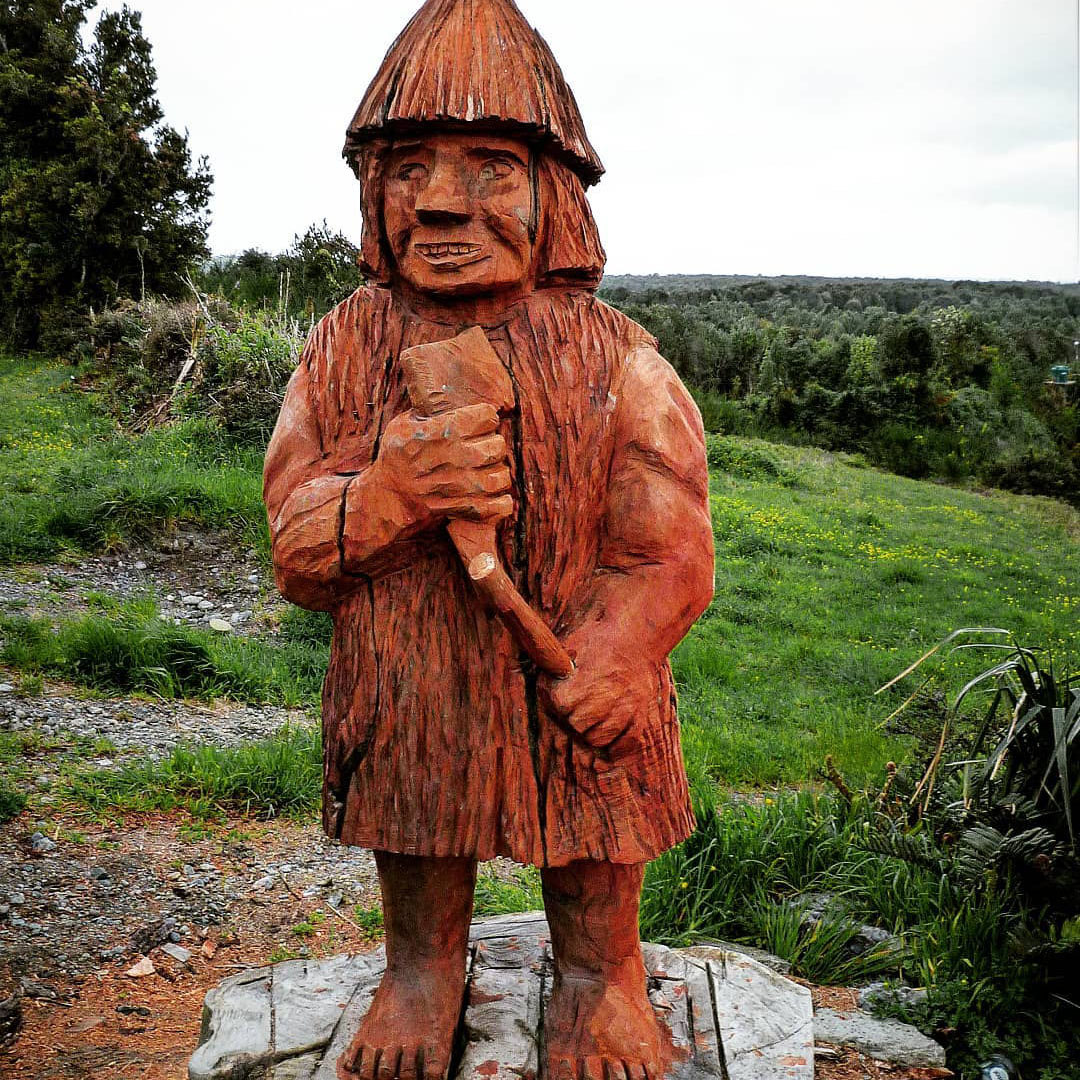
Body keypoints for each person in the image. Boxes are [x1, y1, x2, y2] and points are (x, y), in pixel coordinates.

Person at [262, 2, 714, 1078]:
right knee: (415, 780)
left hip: (574, 660)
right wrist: (389, 496)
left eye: (490, 168)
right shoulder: (343, 345)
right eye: (409, 165)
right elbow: (293, 543)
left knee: (598, 770)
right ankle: (420, 972)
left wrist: (624, 643)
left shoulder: (615, 356)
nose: (441, 203)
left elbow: (672, 540)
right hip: (411, 668)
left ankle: (605, 977)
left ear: (552, 192)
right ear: (373, 189)